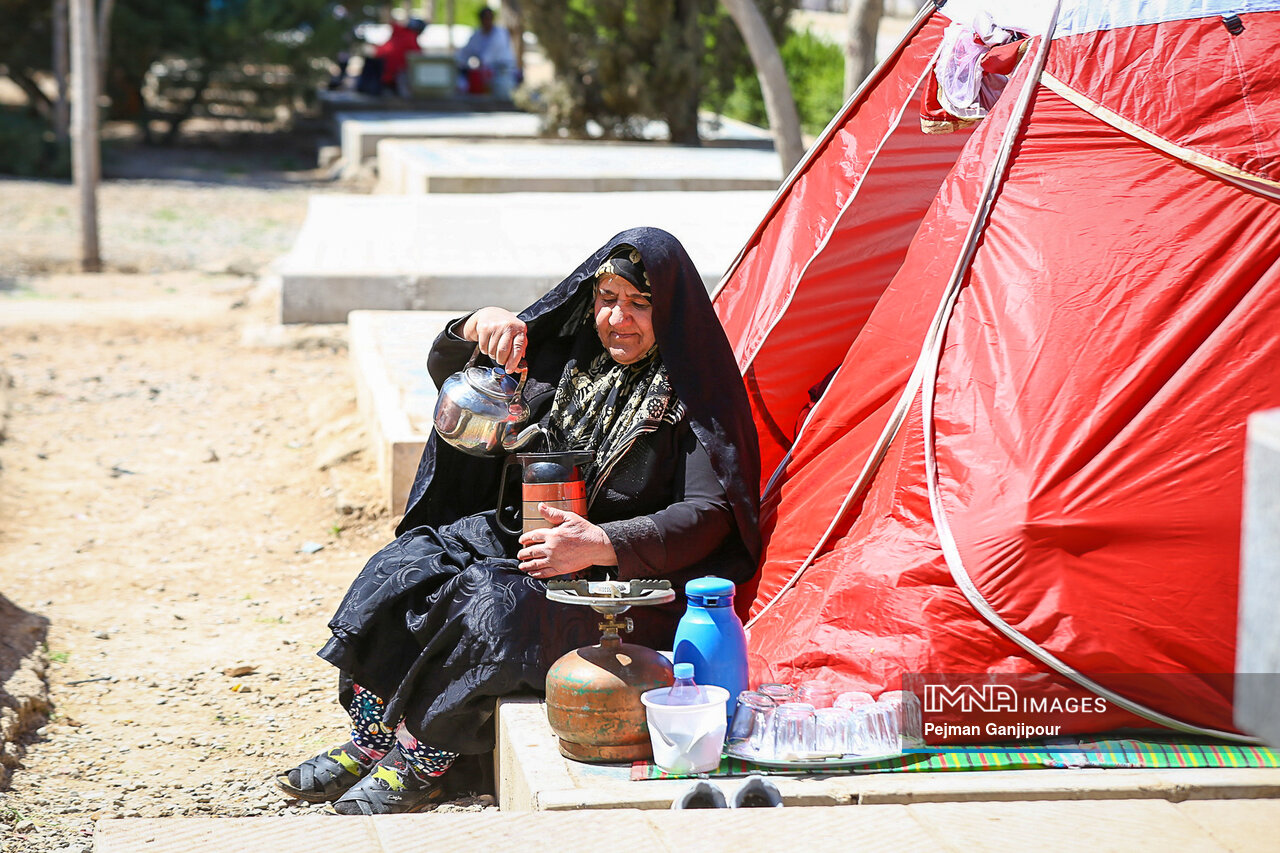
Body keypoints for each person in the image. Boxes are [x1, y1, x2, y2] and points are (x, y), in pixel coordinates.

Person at [275, 228, 761, 815]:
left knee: (491, 601)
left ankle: (421, 758)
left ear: (671, 313)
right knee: (411, 560)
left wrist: (602, 542)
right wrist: (474, 325)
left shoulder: (695, 395)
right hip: (534, 539)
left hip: (626, 584)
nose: (618, 320)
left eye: (639, 304)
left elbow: (709, 513)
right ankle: (372, 736)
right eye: (607, 299)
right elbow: (466, 376)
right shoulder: (575, 360)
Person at [455, 7, 516, 94]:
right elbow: (465, 52)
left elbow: (487, 57)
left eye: (489, 18)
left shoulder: (500, 34)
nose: (487, 21)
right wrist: (457, 62)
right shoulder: (477, 34)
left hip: (502, 74)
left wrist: (476, 63)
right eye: (485, 18)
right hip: (484, 75)